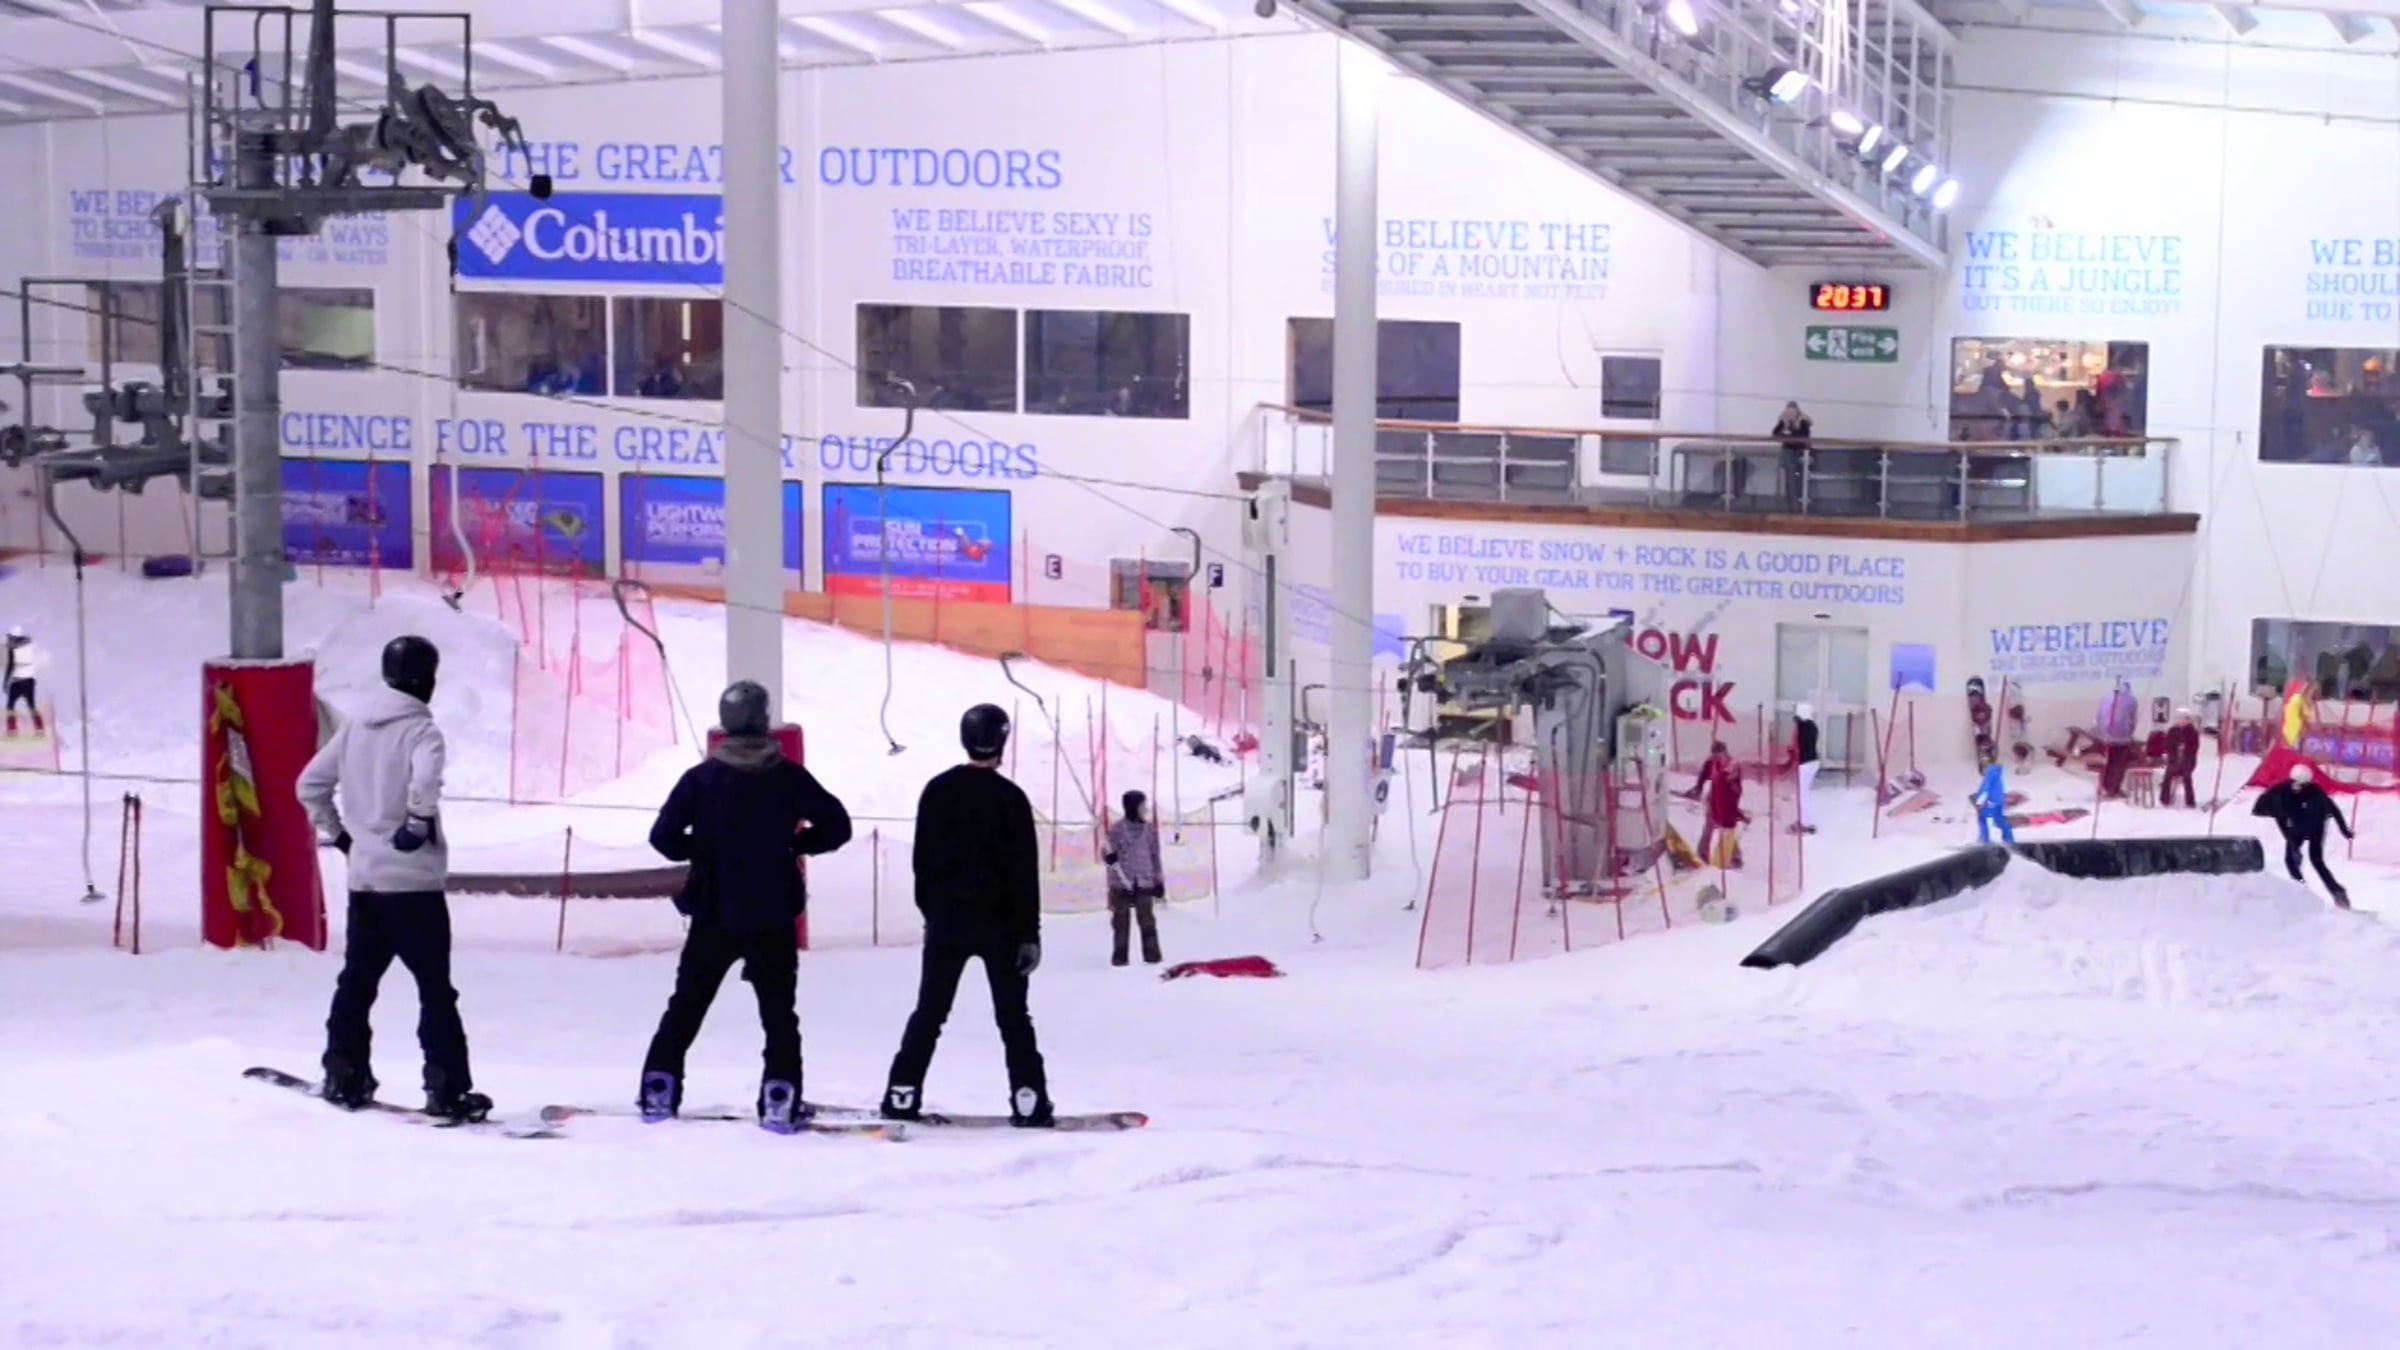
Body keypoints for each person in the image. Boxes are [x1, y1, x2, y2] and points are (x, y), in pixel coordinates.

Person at [638, 681, 854, 1132]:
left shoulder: (701, 779)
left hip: (713, 911)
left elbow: (663, 838)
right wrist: (796, 844)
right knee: (778, 1014)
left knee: (687, 1006)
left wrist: (703, 851)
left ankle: (660, 1087)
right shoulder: (789, 777)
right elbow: (838, 826)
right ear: (764, 719)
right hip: (772, 913)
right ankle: (780, 1096)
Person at [296, 635, 488, 1120]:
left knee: (356, 983)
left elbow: (309, 785)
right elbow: (425, 779)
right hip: (414, 886)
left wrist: (342, 837)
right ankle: (446, 1088)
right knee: (435, 990)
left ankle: (343, 1074)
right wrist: (417, 823)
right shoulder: (422, 733)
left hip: (365, 883)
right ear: (427, 679)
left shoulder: (355, 728)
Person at [882, 704, 1053, 1127]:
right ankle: (1029, 1100)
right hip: (1003, 927)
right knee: (1013, 1017)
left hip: (948, 924)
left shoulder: (937, 791)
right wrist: (1029, 933)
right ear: (1003, 741)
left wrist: (934, 913)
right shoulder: (1011, 799)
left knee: (930, 1012)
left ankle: (902, 1093)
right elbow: (1024, 873)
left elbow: (922, 863)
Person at [2253, 763, 2352, 908]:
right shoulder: (2283, 793)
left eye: (2302, 785)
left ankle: (2338, 893)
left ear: (2308, 783)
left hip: (2315, 828)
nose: (2298, 788)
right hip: (2296, 830)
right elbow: (2279, 817)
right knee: (2290, 860)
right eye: (2295, 784)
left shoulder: (2316, 794)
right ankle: (2301, 890)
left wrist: (2344, 830)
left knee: (2316, 861)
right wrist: (2292, 845)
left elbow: (2334, 810)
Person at [1104, 790, 1166, 967]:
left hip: (1144, 882)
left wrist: (1158, 881)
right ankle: (1120, 958)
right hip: (1121, 884)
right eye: (1142, 806)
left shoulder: (1150, 831)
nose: (1145, 809)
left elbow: (1155, 857)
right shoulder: (1117, 830)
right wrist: (1109, 858)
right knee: (1120, 923)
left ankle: (1152, 957)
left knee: (1147, 921)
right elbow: (1107, 851)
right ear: (1132, 807)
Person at [1680, 742, 1746, 868]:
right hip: (1714, 797)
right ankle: (1702, 852)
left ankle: (1734, 855)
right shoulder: (1711, 763)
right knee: (1710, 825)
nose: (1717, 757)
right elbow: (1703, 776)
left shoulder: (1733, 766)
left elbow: (1736, 788)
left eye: (1719, 753)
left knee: (1726, 829)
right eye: (1715, 754)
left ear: (1725, 752)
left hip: (1726, 799)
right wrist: (1699, 788)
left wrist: (1734, 805)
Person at [3, 624, 46, 738]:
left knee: (10, 705)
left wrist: (5, 682)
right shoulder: (30, 646)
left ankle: (12, 729)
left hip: (17, 681)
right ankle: (40, 728)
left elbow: (11, 666)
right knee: (32, 705)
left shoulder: (13, 649)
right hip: (29, 680)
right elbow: (38, 659)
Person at [1787, 703, 1819, 835]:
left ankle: (1805, 823)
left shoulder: (1803, 727)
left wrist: (1792, 751)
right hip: (1812, 761)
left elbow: (1798, 745)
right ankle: (1804, 820)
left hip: (1805, 763)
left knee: (1803, 793)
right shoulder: (1812, 726)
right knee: (1803, 793)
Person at [2160, 707, 2201, 808]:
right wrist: (2175, 746)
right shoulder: (2172, 730)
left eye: (2184, 719)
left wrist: (2185, 748)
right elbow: (2166, 745)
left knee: (2187, 777)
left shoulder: (2192, 732)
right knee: (2167, 776)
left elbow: (2195, 747)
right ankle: (2164, 799)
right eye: (2179, 718)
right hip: (2174, 760)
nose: (2181, 721)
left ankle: (2190, 801)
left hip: (2187, 761)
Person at [1970, 758, 2015, 846]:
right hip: (1999, 800)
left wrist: (1978, 799)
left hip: (1992, 801)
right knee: (1999, 819)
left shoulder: (1990, 772)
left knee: (1982, 816)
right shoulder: (1997, 771)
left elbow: (1985, 788)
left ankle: (1984, 839)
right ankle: (2009, 839)